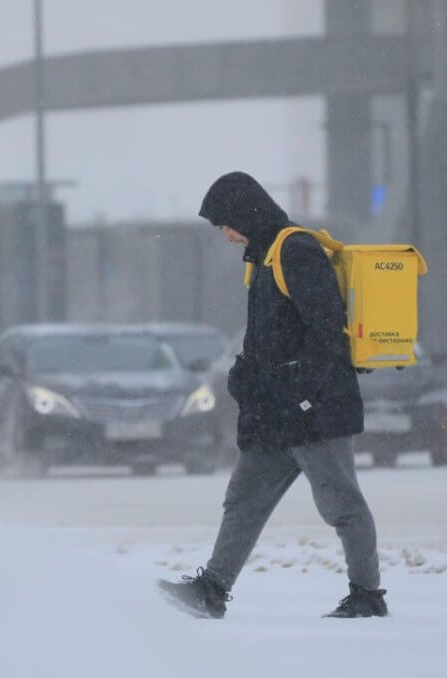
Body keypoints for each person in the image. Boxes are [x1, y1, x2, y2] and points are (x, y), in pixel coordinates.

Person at [157, 171, 387, 620]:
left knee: (341, 504)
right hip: (275, 414)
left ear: (245, 213)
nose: (224, 233)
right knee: (244, 499)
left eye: (225, 222)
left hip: (314, 411)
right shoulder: (262, 258)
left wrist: (303, 395)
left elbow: (327, 335)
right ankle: (212, 589)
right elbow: (271, 336)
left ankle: (367, 595)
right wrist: (245, 375)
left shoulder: (295, 251)